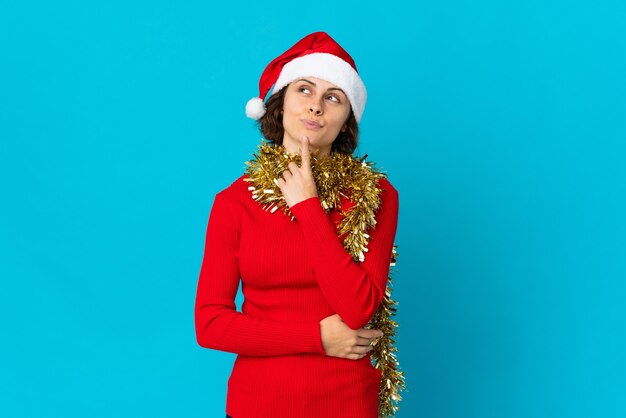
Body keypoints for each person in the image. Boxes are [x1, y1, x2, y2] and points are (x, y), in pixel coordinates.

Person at [194, 32, 401, 418]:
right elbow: (210, 324)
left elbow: (357, 309)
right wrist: (317, 337)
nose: (316, 107)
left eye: (333, 97)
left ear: (347, 119)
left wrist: (308, 207)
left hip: (347, 404)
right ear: (280, 103)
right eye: (304, 90)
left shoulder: (378, 195)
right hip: (257, 404)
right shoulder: (234, 202)